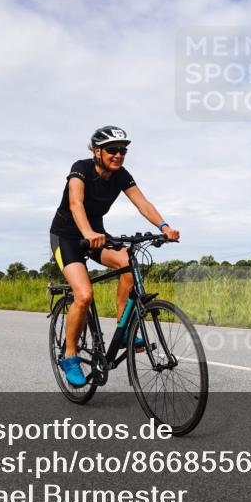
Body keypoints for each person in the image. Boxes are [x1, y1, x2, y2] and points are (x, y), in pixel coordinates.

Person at [49, 125, 179, 387]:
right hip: (67, 237)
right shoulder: (80, 169)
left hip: (96, 236)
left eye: (123, 150)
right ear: (97, 151)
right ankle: (70, 356)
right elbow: (75, 203)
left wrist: (164, 227)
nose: (118, 155)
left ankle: (123, 327)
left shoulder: (121, 176)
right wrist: (87, 232)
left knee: (129, 263)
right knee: (84, 295)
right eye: (112, 150)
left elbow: (142, 203)